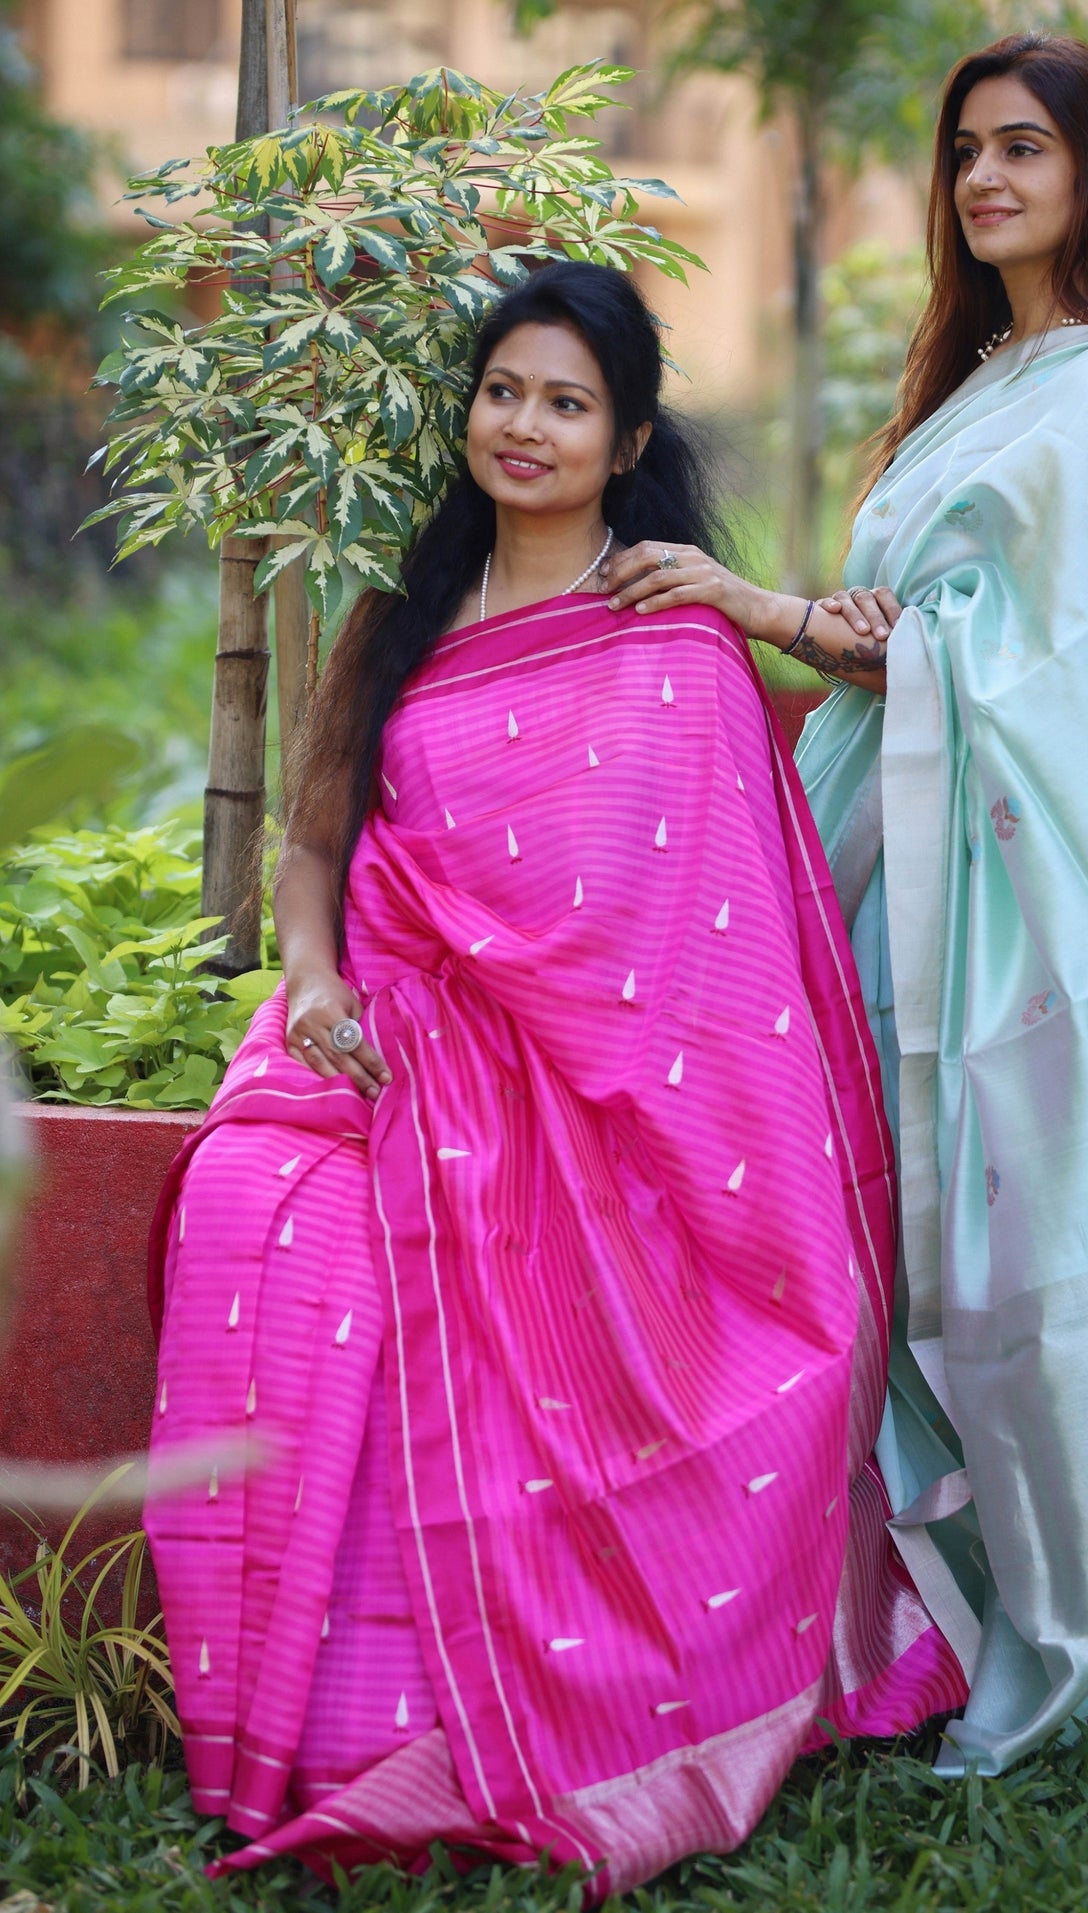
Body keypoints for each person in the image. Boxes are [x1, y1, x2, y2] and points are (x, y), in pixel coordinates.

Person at [143, 261, 969, 1894]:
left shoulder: (665, 634)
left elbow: (705, 958)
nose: (524, 426)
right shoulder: (395, 616)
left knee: (462, 1273)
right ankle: (304, 1716)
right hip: (374, 1036)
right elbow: (311, 847)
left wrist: (824, 624)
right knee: (263, 1216)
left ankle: (509, 1696)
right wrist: (308, 981)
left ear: (628, 436)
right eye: (503, 391)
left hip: (608, 1109)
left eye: (565, 402)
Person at [600, 34, 1088, 1775]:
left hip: (1013, 889)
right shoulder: (973, 378)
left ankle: (1060, 1603)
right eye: (966, 149)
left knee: (1005, 1245)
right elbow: (902, 636)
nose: (983, 179)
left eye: (1023, 148)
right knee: (846, 1223)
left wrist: (754, 601)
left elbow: (1014, 656)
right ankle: (872, 1604)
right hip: (884, 845)